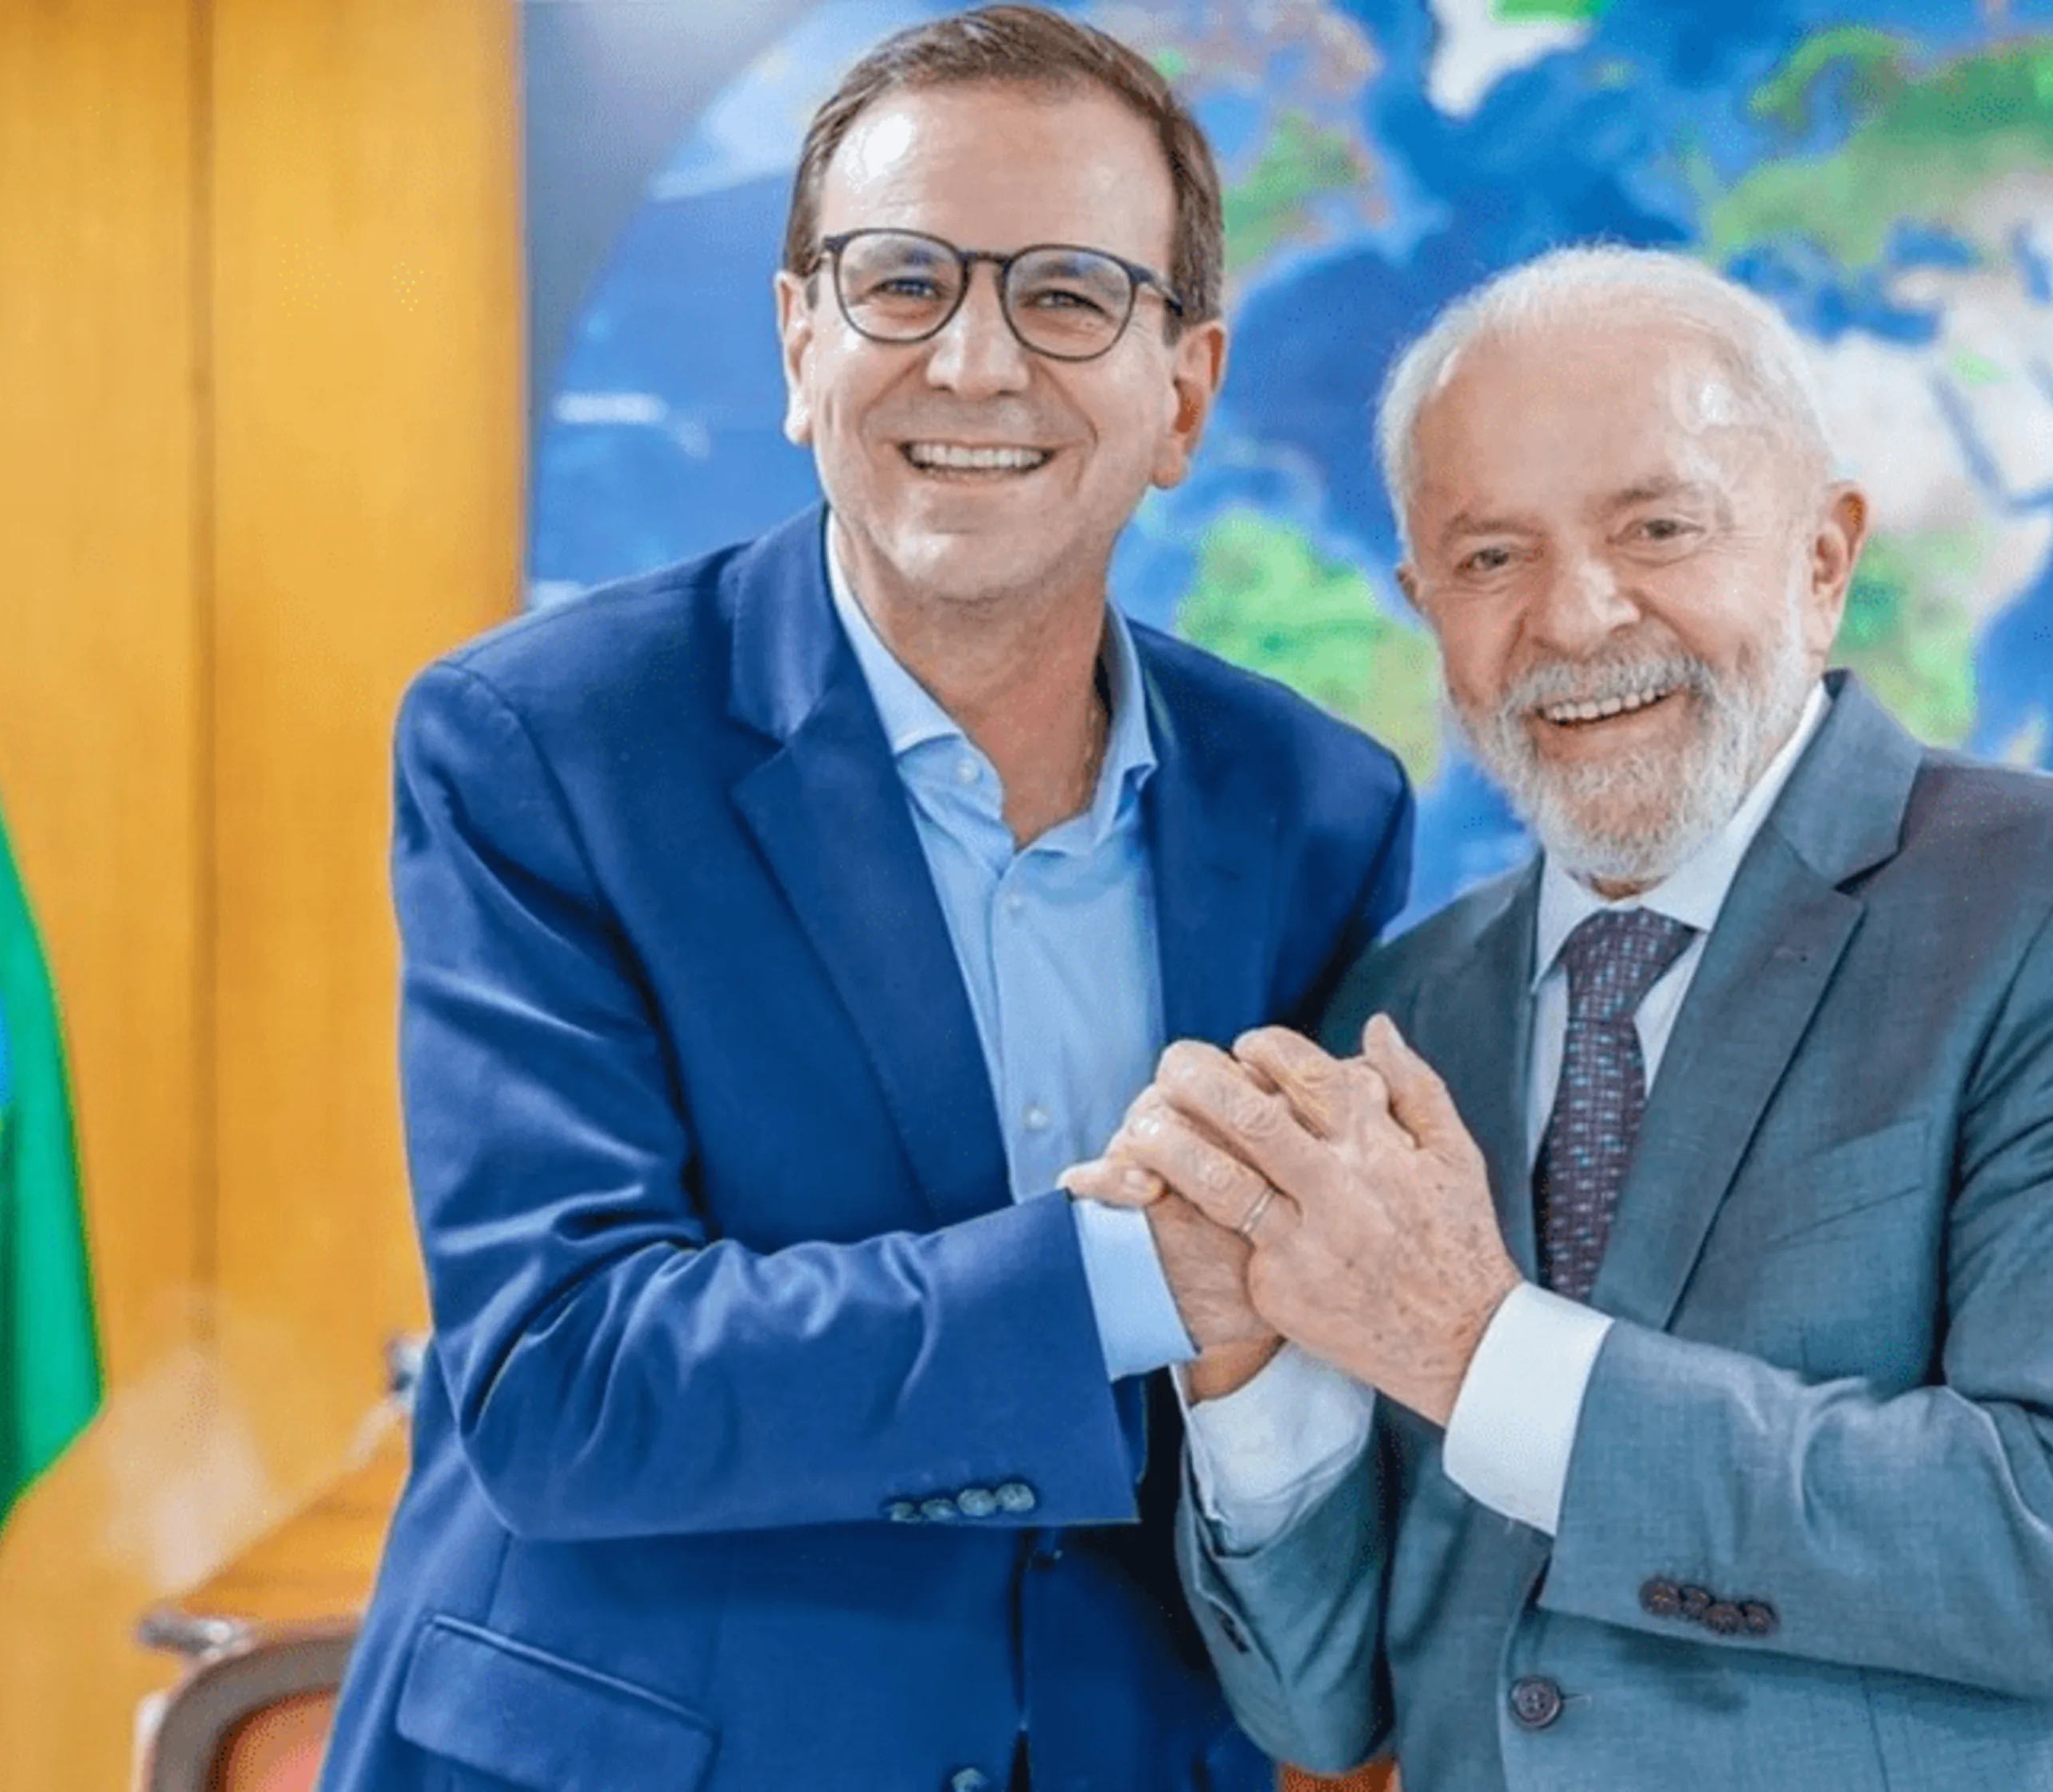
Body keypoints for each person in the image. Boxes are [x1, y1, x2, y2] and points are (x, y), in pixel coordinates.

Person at [315, 10, 1414, 1790]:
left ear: (1183, 395)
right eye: (901, 280)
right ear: (796, 339)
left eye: (1066, 294)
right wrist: (1127, 1271)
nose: (973, 361)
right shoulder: (539, 748)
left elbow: (1279, 1366)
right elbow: (560, 1383)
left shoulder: (1311, 806)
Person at [1072, 246, 2053, 1790]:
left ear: (1821, 557)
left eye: (1654, 529)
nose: (1574, 615)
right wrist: (1244, 1361)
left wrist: (1474, 1349)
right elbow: (1326, 1707)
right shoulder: (1397, 1012)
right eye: (1486, 560)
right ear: (1422, 605)